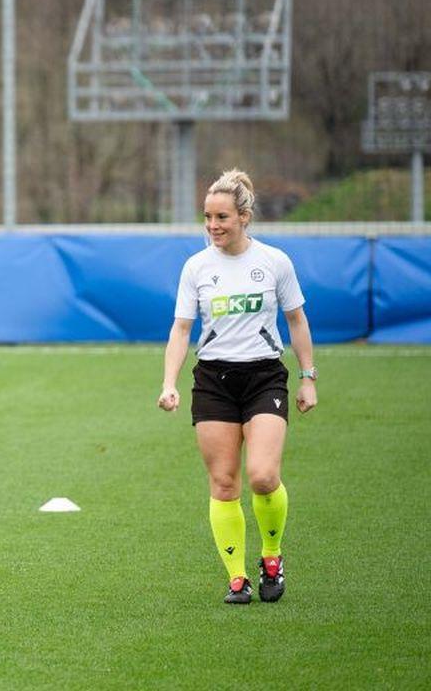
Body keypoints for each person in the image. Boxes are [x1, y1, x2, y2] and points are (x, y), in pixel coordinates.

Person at [158, 169, 318, 604]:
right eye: (207, 217)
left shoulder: (274, 262)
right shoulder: (196, 267)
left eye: (222, 217)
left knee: (263, 477)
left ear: (244, 217)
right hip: (214, 381)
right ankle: (237, 578)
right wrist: (169, 383)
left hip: (264, 377)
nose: (213, 226)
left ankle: (272, 556)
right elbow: (181, 329)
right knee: (224, 484)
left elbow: (297, 320)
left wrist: (307, 377)